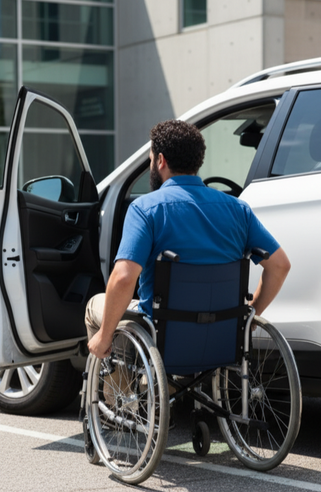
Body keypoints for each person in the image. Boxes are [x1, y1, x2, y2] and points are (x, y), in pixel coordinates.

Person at [86, 120, 290, 359]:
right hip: (222, 332)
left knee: (94, 306)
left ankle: (116, 383)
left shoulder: (145, 209)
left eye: (151, 159)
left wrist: (104, 336)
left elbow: (123, 278)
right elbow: (280, 265)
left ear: (160, 160)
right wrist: (252, 314)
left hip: (163, 335)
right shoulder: (238, 209)